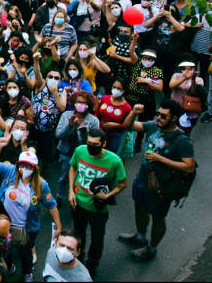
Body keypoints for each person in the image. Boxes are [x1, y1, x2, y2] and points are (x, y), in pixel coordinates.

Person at [119, 100, 196, 261]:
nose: (158, 118)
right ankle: (140, 236)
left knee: (158, 216)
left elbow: (189, 166)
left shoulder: (181, 140)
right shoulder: (154, 126)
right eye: (158, 114)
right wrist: (133, 112)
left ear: (174, 118)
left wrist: (159, 158)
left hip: (162, 185)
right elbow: (128, 126)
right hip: (143, 178)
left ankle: (151, 248)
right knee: (140, 207)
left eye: (163, 116)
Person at [0, 141, 61, 281]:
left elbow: (51, 204)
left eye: (28, 166)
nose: (24, 169)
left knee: (25, 253)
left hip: (26, 229)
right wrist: (0, 145)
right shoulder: (9, 171)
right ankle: (8, 267)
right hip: (4, 224)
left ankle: (27, 273)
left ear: (34, 168)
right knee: (3, 250)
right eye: (21, 165)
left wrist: (58, 225)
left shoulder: (41, 184)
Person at [67, 128, 127, 276]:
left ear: (104, 143)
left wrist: (109, 196)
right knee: (78, 234)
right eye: (88, 143)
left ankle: (92, 265)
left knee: (97, 239)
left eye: (95, 144)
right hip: (78, 203)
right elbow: (73, 167)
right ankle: (78, 259)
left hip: (98, 208)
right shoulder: (80, 151)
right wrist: (71, 191)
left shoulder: (114, 161)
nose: (90, 147)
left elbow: (123, 183)